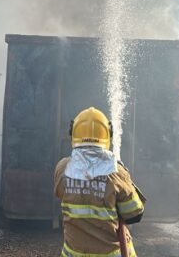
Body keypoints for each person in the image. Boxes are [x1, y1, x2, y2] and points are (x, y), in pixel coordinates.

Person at [53, 107, 146, 257]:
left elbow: (61, 195)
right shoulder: (117, 173)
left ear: (73, 134)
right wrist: (125, 178)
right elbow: (134, 214)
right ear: (108, 135)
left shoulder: (62, 168)